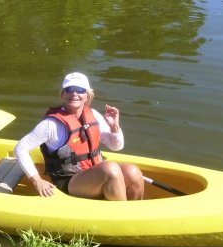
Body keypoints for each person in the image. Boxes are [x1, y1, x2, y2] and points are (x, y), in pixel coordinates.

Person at [14, 72, 144, 200]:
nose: (74, 94)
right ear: (63, 94)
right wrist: (37, 180)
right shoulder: (51, 124)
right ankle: (120, 216)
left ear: (87, 96)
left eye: (80, 90)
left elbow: (116, 147)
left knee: (133, 172)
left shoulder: (93, 115)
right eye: (69, 89)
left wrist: (114, 127)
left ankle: (134, 212)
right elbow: (20, 148)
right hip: (68, 180)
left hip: (93, 173)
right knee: (111, 169)